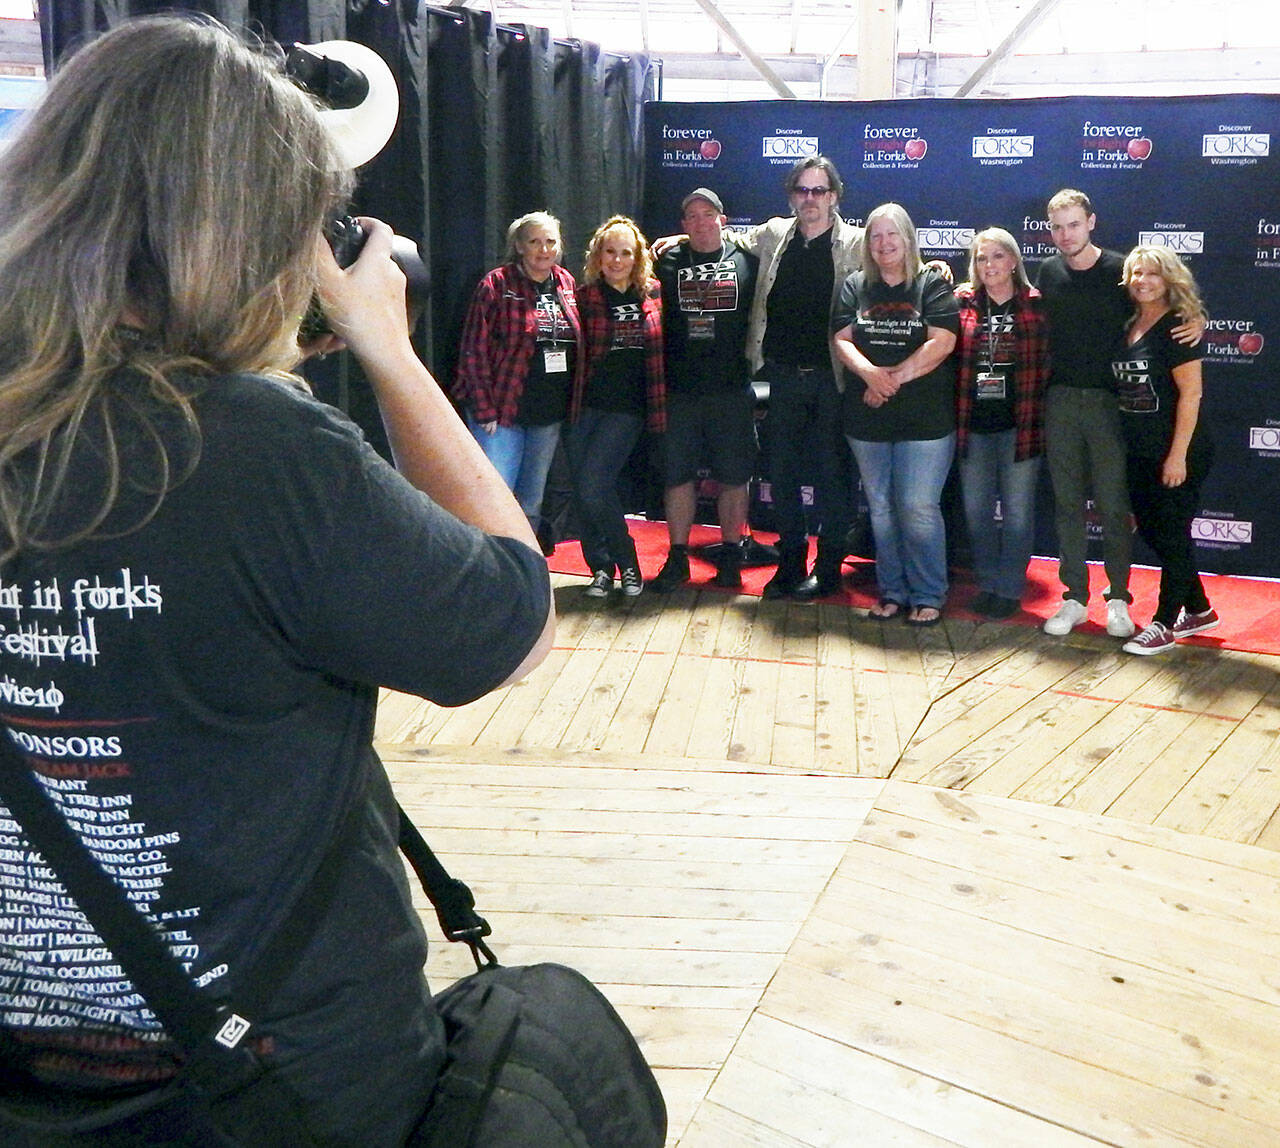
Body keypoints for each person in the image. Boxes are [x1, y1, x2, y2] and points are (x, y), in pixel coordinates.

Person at [0, 17, 553, 1146]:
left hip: (34, 1071)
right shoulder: (256, 453)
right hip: (283, 1073)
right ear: (248, 222)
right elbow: (512, 616)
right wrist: (388, 351)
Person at [729, 157, 864, 599]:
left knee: (832, 477)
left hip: (833, 379)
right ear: (792, 196)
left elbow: (897, 259)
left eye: (819, 190)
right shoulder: (773, 234)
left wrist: (936, 269)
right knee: (782, 474)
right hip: (783, 376)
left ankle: (827, 569)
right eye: (802, 190)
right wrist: (684, 236)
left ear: (834, 196)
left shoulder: (856, 244)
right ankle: (789, 562)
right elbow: (728, 239)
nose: (810, 199)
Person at [832, 203, 959, 627]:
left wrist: (892, 381)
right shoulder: (855, 285)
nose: (884, 244)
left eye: (892, 235)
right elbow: (842, 339)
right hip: (867, 420)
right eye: (876, 236)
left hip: (925, 421)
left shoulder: (932, 284)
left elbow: (942, 342)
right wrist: (870, 375)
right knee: (882, 508)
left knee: (919, 507)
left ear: (908, 238)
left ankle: (928, 595)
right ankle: (892, 592)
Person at [649, 189, 759, 592]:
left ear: (722, 219)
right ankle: (677, 558)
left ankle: (731, 556)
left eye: (707, 213)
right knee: (677, 477)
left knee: (734, 477)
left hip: (731, 390)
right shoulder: (666, 262)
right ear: (683, 226)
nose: (699, 221)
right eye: (691, 216)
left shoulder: (747, 261)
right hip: (679, 391)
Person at [1111, 247, 1219, 654]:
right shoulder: (1129, 320)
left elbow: (1191, 394)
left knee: (1172, 534)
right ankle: (1200, 609)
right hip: (1139, 449)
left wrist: (1178, 456)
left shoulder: (1179, 326)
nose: (1143, 280)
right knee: (1158, 533)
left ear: (1169, 278)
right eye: (1136, 273)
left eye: (1153, 274)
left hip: (1179, 448)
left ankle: (1164, 622)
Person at [454, 210, 581, 538]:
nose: (544, 249)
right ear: (519, 246)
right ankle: (487, 576)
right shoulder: (496, 283)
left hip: (547, 414)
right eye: (534, 241)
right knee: (493, 500)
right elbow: (473, 349)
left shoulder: (566, 282)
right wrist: (483, 409)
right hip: (501, 414)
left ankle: (525, 574)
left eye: (550, 241)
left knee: (530, 503)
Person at [566, 216, 666, 598]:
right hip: (583, 406)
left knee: (594, 483)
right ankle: (601, 569)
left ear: (637, 256)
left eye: (626, 252)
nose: (617, 260)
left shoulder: (653, 292)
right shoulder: (584, 295)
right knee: (584, 488)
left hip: (628, 410)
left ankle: (627, 563)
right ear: (598, 254)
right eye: (610, 251)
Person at [953, 228, 1050, 619]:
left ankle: (1009, 589)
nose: (988, 265)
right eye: (980, 258)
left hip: (1020, 426)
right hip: (972, 425)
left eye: (996, 257)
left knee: (1018, 514)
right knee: (976, 513)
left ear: (1012, 261)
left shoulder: (1037, 305)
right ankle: (988, 583)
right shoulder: (961, 302)